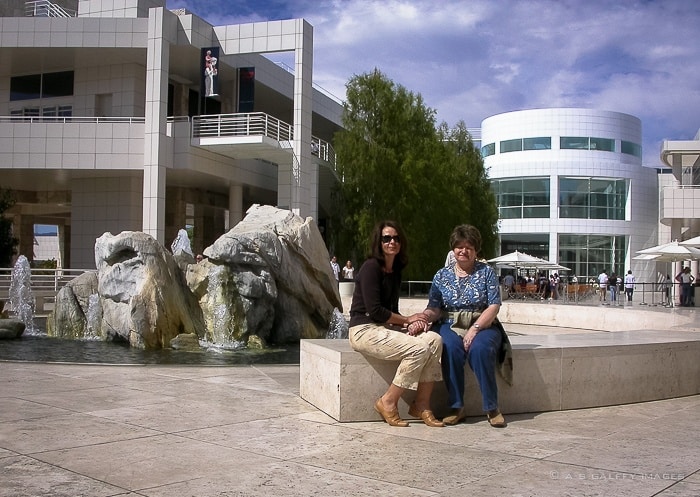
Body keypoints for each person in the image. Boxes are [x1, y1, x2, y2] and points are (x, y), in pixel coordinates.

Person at [348, 221, 444, 427]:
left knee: (434, 340)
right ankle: (388, 401)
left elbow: (391, 310)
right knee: (418, 349)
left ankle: (421, 405)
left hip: (383, 327)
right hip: (363, 329)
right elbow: (375, 311)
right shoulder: (370, 267)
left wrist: (410, 325)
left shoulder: (395, 270)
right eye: (387, 238)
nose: (392, 242)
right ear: (379, 242)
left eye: (396, 238)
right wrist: (408, 319)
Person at [418, 224, 512, 428]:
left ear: (476, 250)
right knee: (450, 347)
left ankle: (491, 407)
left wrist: (475, 329)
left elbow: (494, 306)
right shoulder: (441, 275)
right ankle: (456, 407)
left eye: (468, 246)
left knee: (480, 349)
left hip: (483, 324)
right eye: (459, 246)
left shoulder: (486, 272)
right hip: (449, 323)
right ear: (453, 249)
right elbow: (434, 307)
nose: (463, 250)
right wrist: (424, 317)